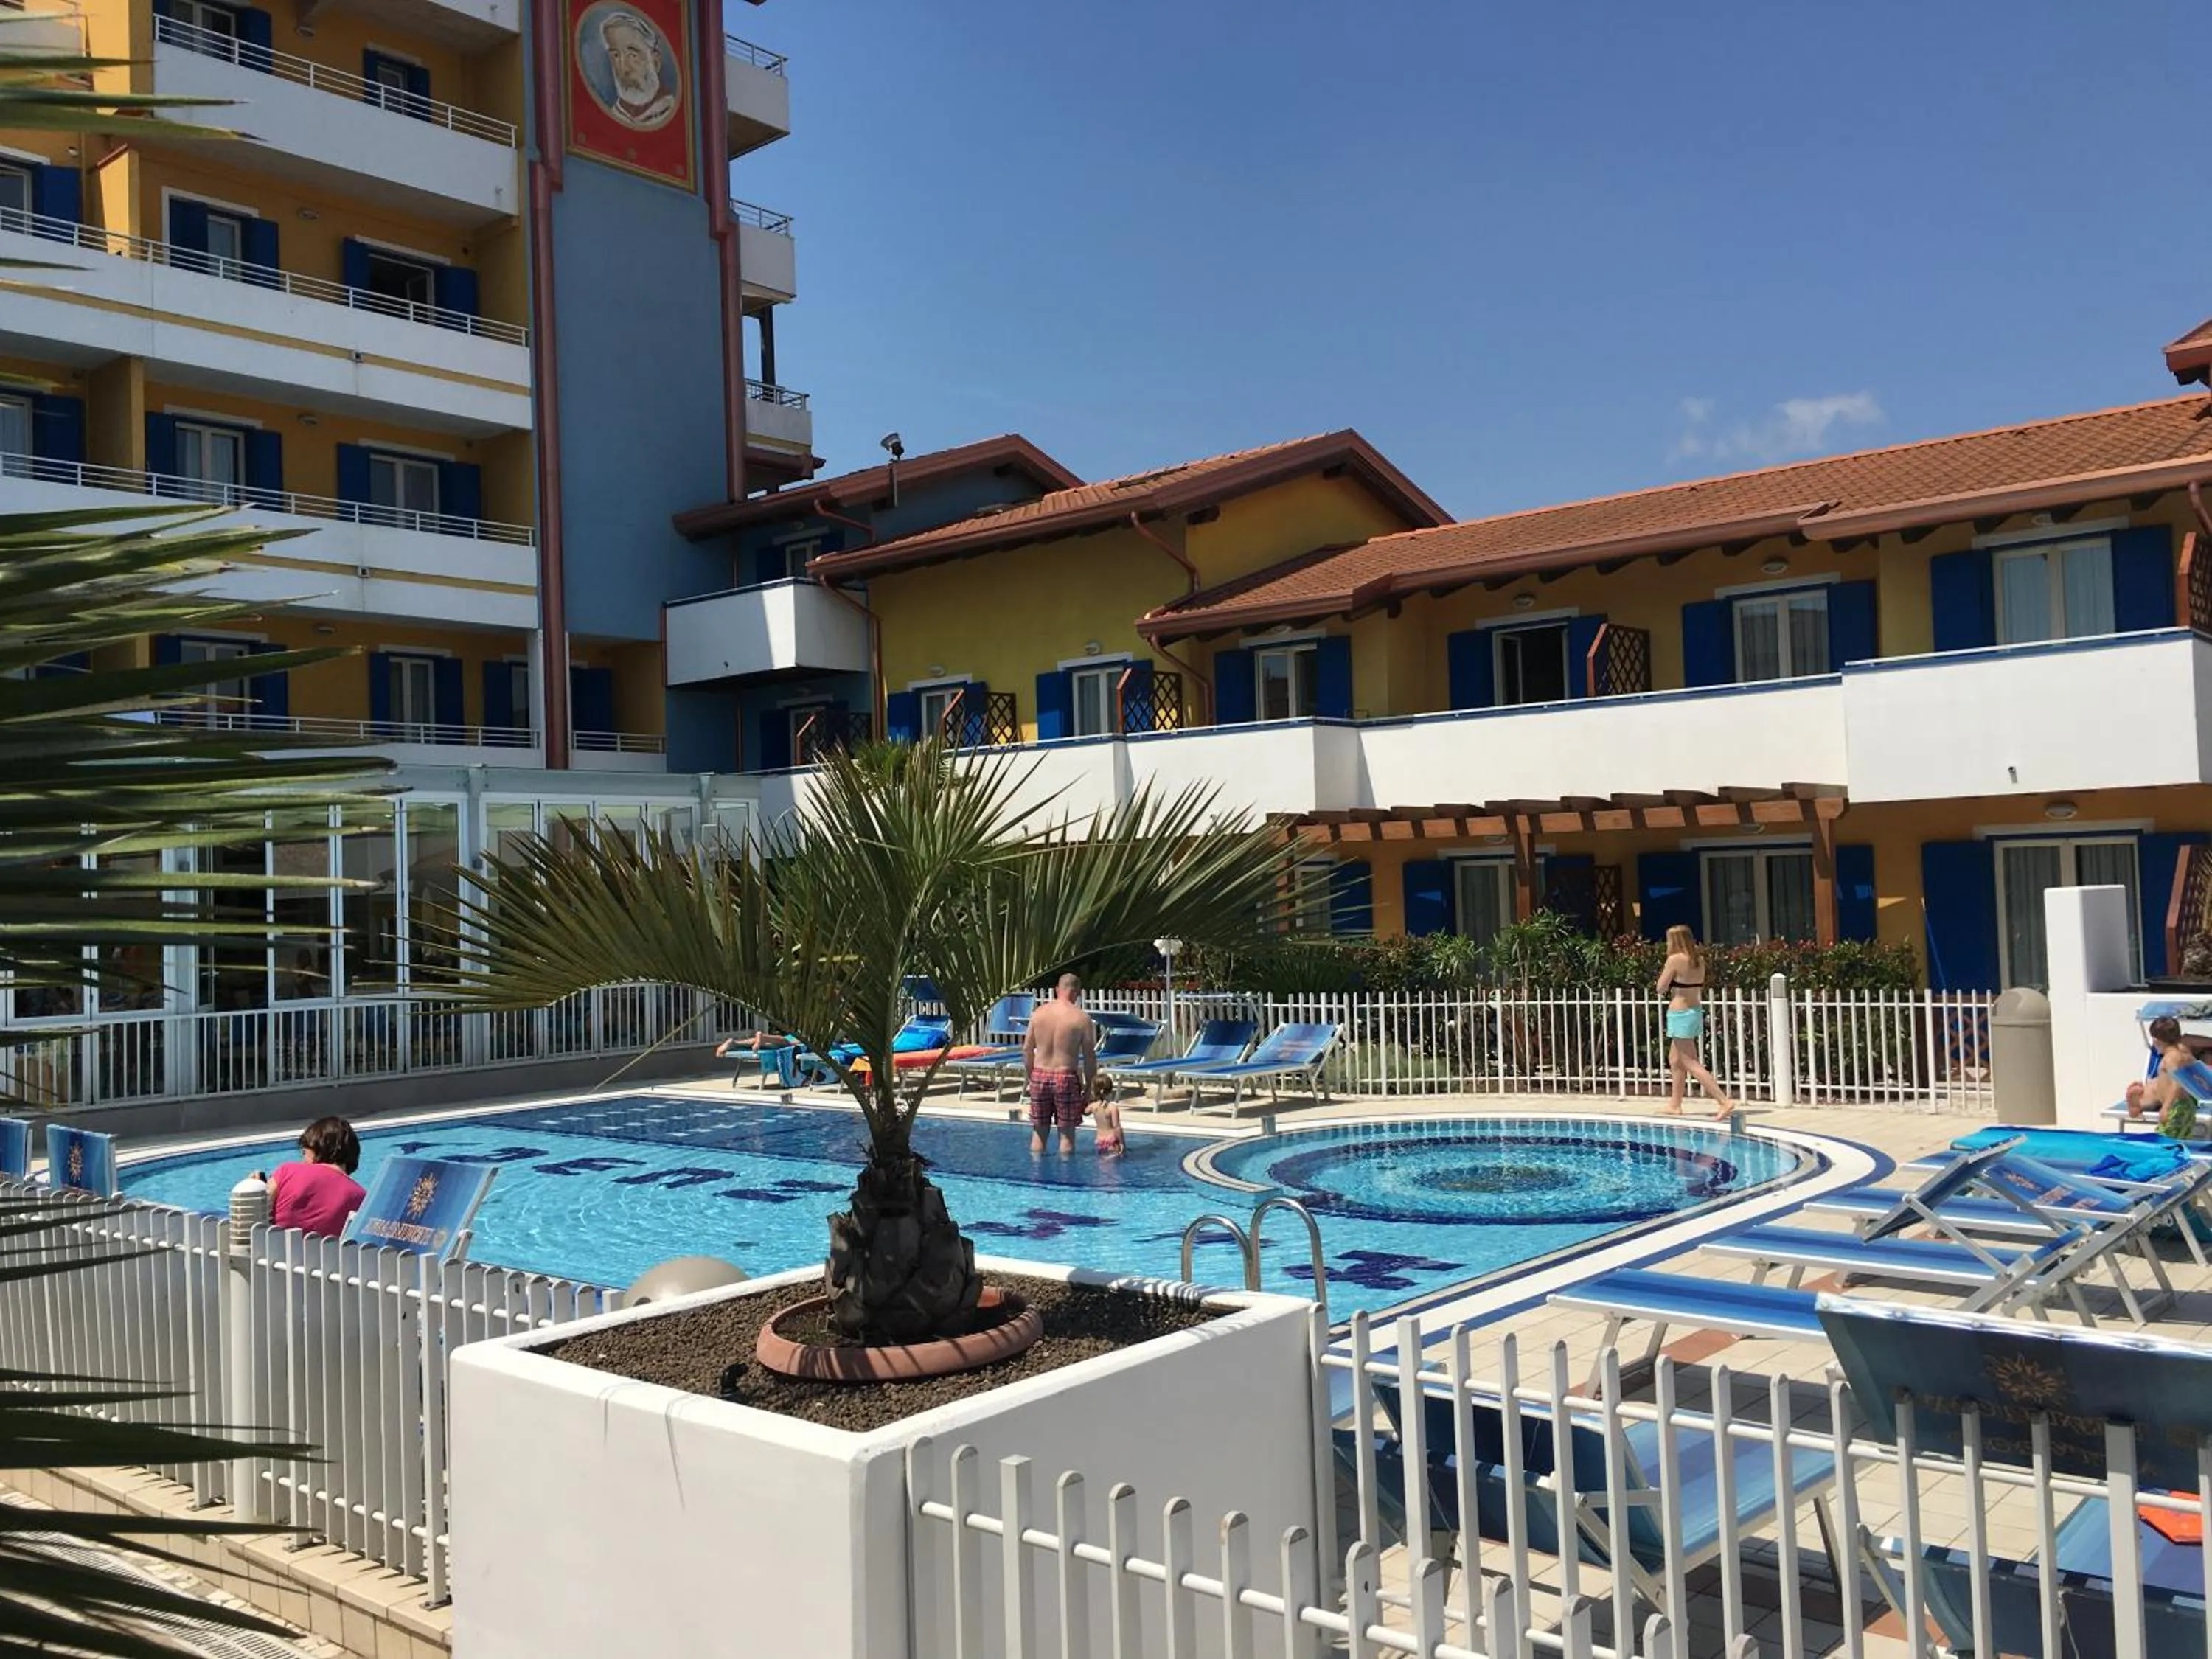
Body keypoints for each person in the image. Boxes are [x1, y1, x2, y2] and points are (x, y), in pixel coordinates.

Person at [1656, 925, 1734, 1119]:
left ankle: (1723, 1101)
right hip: (1694, 1010)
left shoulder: (1674, 960)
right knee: (1675, 1060)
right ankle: (1675, 1104)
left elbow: (1660, 987)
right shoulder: (1698, 960)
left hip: (1679, 1012)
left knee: (1690, 1061)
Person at [252, 1116, 366, 1238]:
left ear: (317, 1148)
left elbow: (253, 1219)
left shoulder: (287, 1172)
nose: (302, 1160)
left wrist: (254, 1186)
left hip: (276, 1254)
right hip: (329, 1256)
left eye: (304, 1153)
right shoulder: (362, 1198)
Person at [1022, 971, 1096, 1156]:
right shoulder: (1082, 1019)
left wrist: (1032, 1076)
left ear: (1057, 989)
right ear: (1077, 992)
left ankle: (1037, 1179)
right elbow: (1089, 1057)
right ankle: (1065, 1181)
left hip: (1040, 1074)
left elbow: (1026, 1049)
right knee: (1067, 1136)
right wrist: (1089, 1089)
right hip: (1066, 1077)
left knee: (1039, 1133)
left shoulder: (1038, 1014)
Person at [599, 11, 676, 131]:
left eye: (632, 55)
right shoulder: (609, 119)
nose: (624, 68)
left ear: (655, 61)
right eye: (616, 55)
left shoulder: (671, 111)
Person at [2126, 1015, 2200, 1138]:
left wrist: (2166, 1107)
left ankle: (2140, 1102)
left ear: (2157, 1040)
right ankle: (2139, 1103)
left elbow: (2177, 1083)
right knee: (2182, 1141)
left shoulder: (2171, 1058)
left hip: (2175, 1108)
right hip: (2186, 1106)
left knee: (2163, 1142)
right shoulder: (2184, 1053)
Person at [1090, 1071, 1125, 1157]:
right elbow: (1117, 1127)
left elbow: (1083, 1111)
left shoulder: (1092, 1107)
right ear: (1110, 1090)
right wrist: (1122, 1143)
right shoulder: (1112, 1108)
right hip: (1112, 1142)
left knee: (1102, 1164)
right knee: (1112, 1166)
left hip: (1099, 1141)